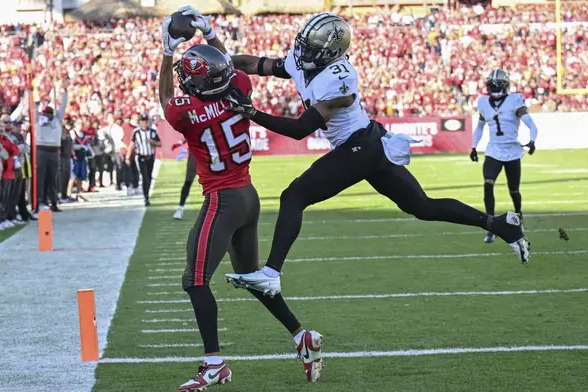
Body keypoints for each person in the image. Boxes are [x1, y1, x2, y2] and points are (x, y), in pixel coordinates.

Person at [223, 13, 531, 296]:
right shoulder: (300, 60)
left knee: (294, 196)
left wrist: (251, 112)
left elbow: (301, 129)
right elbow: (257, 65)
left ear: (330, 52)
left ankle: (271, 273)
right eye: (303, 45)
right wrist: (222, 63)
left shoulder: (339, 78)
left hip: (360, 147)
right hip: (370, 145)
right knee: (422, 206)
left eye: (311, 47)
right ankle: (500, 224)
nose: (302, 52)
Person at [159, 7, 323, 390]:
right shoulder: (241, 88)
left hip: (223, 200)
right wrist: (211, 33)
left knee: (194, 280)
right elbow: (229, 66)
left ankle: (214, 364)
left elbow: (166, 94)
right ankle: (302, 336)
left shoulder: (188, 111)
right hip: (248, 195)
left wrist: (168, 49)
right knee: (252, 279)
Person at [470, 69, 539, 243]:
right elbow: (479, 126)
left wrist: (532, 140)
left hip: (512, 150)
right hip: (493, 150)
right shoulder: (484, 102)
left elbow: (531, 124)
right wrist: (473, 146)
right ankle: (491, 225)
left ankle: (518, 216)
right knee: (488, 183)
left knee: (514, 191)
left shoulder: (515, 100)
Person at [35, 79, 69, 212]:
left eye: (50, 114)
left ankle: (53, 202)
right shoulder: (38, 120)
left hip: (54, 151)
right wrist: (35, 95)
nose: (48, 116)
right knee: (41, 177)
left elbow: (63, 106)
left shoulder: (57, 120)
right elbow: (33, 108)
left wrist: (65, 92)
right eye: (46, 114)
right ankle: (39, 201)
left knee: (53, 177)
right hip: (41, 149)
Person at [126, 113, 160, 207]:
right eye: (142, 121)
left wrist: (153, 142)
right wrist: (128, 156)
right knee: (144, 177)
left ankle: (146, 194)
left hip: (150, 157)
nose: (144, 123)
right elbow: (132, 144)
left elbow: (159, 143)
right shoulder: (136, 132)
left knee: (148, 178)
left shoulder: (153, 131)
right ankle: (146, 197)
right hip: (141, 157)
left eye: (146, 121)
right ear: (140, 122)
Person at [0, 121, 19, 230]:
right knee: (1, 197)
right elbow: (5, 153)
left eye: (2, 126)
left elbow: (15, 150)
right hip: (1, 171)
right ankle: (0, 219)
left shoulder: (6, 139)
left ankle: (5, 218)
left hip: (9, 171)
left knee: (6, 197)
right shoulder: (1, 141)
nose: (1, 128)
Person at [67, 119, 93, 201]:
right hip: (75, 157)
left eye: (81, 124)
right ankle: (68, 194)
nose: (80, 125)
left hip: (82, 157)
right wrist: (80, 147)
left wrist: (91, 152)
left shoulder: (83, 134)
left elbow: (87, 145)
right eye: (78, 123)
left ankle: (78, 194)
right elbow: (71, 145)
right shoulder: (72, 133)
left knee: (80, 177)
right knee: (73, 177)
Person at [171, 138, 197, 220]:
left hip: (209, 156)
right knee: (188, 181)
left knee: (214, 184)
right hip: (195, 156)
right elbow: (189, 131)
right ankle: (180, 208)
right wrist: (180, 142)